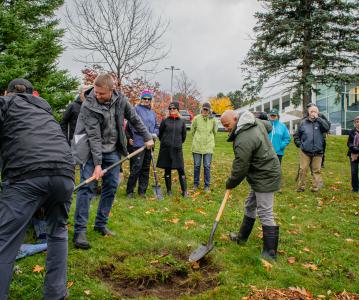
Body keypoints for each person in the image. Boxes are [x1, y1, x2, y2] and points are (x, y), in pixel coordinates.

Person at [0, 78, 75, 300]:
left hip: (27, 175)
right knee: (58, 232)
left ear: (7, 92)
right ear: (35, 94)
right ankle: (56, 293)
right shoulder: (45, 112)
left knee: (4, 239)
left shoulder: (6, 103)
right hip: (65, 174)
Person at [72, 73, 153, 249]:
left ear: (111, 90)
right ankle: (79, 231)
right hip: (91, 150)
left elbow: (134, 119)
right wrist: (98, 165)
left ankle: (100, 224)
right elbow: (93, 137)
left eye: (101, 93)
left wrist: (147, 137)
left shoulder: (121, 100)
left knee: (111, 186)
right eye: (96, 92)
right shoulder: (88, 104)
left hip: (112, 150)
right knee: (86, 188)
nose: (97, 95)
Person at [221, 110, 281, 260]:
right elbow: (269, 126)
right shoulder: (254, 122)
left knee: (265, 212)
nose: (226, 129)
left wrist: (230, 183)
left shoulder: (244, 139)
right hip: (260, 172)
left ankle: (270, 253)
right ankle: (242, 237)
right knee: (250, 205)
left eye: (227, 125)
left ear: (235, 119)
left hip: (265, 174)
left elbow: (240, 168)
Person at [126, 90, 159, 198]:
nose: (146, 100)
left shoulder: (152, 113)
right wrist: (145, 136)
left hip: (150, 144)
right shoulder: (136, 110)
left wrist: (154, 134)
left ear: (151, 100)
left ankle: (142, 191)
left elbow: (156, 127)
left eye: (148, 99)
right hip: (139, 143)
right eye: (144, 98)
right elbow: (132, 125)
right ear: (141, 99)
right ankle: (130, 191)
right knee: (137, 167)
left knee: (145, 168)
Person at [293, 104, 330, 192]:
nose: (313, 113)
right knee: (303, 169)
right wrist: (300, 144)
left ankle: (315, 187)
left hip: (318, 151)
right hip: (305, 150)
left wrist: (319, 118)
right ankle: (301, 187)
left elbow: (327, 128)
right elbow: (296, 135)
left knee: (316, 170)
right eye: (311, 111)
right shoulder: (303, 122)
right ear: (308, 112)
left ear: (318, 112)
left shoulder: (321, 122)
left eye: (315, 111)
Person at [156, 102, 188, 197]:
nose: (172, 110)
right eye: (170, 109)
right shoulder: (165, 121)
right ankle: (169, 190)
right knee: (167, 169)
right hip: (166, 149)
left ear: (178, 110)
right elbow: (160, 134)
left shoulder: (182, 122)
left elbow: (184, 136)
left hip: (177, 149)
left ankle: (184, 191)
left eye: (174, 108)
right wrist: (166, 142)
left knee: (181, 170)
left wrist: (177, 143)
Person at [191, 102, 217, 192]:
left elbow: (215, 131)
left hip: (208, 147)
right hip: (197, 146)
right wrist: (197, 138)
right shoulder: (196, 119)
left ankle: (207, 186)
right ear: (201, 109)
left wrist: (210, 141)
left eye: (207, 109)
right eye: (204, 109)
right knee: (197, 165)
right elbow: (192, 131)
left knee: (207, 166)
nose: (205, 111)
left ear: (209, 110)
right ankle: (196, 184)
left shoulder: (213, 120)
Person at [347, 116, 359, 193]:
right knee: (354, 172)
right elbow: (349, 143)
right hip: (353, 154)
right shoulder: (352, 131)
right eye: (357, 122)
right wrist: (353, 147)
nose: (358, 123)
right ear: (355, 123)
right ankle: (355, 188)